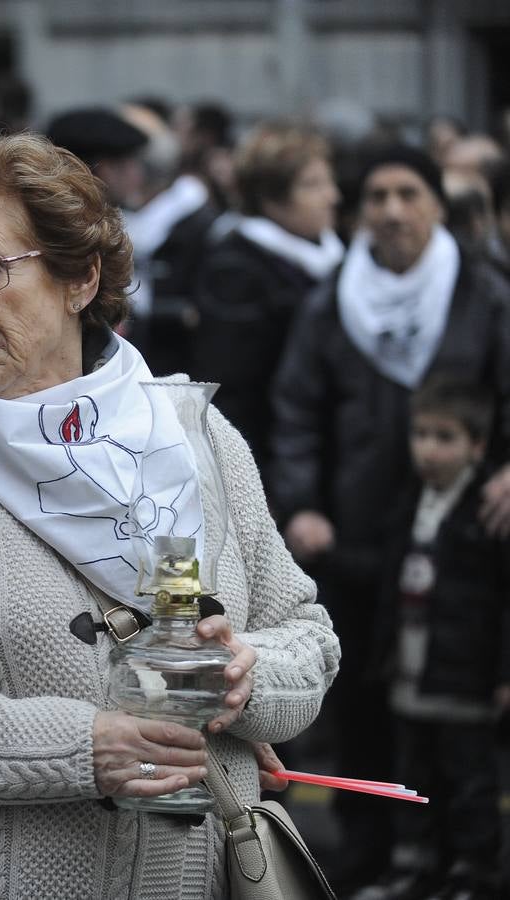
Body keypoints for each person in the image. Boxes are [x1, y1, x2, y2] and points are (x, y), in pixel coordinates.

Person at [0, 130, 339, 898]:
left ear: (80, 277)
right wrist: (81, 748)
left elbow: (309, 639)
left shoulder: (195, 435)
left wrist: (248, 677)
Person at [271, 142, 510, 890]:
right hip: (358, 538)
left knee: (462, 719)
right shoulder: (332, 297)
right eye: (376, 195)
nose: (392, 210)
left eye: (409, 192)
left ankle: (467, 860)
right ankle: (380, 859)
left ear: (439, 204)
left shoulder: (484, 292)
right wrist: (303, 504)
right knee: (371, 710)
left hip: (464, 547)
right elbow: (298, 410)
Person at [352, 377, 507, 900]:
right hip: (410, 675)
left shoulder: (488, 512)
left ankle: (473, 871)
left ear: (478, 445)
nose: (429, 450)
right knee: (413, 778)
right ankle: (414, 867)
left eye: (446, 437)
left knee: (469, 783)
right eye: (421, 434)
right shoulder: (409, 500)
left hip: (465, 681)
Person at [194, 122, 342, 473]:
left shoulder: (333, 258)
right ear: (271, 197)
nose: (331, 196)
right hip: (272, 461)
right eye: (312, 185)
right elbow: (234, 393)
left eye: (328, 182)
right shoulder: (234, 269)